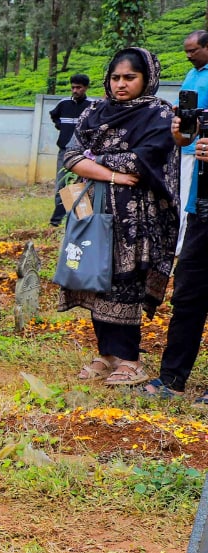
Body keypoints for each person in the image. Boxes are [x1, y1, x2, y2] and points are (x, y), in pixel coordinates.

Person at [62, 47, 178, 386]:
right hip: (94, 207)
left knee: (126, 280)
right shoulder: (94, 113)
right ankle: (106, 355)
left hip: (135, 216)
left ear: (147, 79)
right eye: (115, 78)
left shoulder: (158, 115)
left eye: (130, 77)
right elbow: (70, 155)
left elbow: (142, 162)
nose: (121, 85)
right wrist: (110, 174)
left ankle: (130, 360)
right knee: (94, 273)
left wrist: (94, 160)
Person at [141, 77, 208, 401]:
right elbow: (185, 142)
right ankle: (172, 378)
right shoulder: (199, 85)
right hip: (201, 210)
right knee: (188, 295)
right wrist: (182, 134)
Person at [177, 31, 208, 254]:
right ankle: (180, 244)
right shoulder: (191, 74)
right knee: (182, 197)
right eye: (186, 51)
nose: (188, 55)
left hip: (202, 150)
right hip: (185, 145)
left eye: (193, 51)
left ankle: (184, 247)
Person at [49, 74, 93, 227]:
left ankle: (79, 218)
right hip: (64, 150)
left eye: (79, 88)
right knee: (62, 183)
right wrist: (63, 129)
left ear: (86, 88)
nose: (75, 90)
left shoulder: (92, 105)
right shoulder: (63, 103)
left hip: (84, 153)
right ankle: (58, 219)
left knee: (80, 184)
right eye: (73, 87)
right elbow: (54, 116)